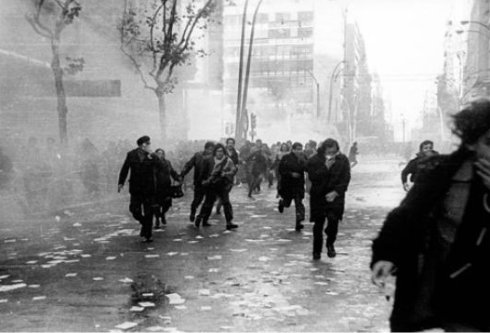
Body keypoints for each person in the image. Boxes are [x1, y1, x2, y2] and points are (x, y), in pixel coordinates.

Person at [371, 99, 490, 332]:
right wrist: (386, 254)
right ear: (473, 143)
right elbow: (406, 215)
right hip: (445, 282)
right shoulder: (441, 172)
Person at [306, 138, 351, 260]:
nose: (332, 154)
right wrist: (325, 167)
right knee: (318, 225)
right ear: (324, 150)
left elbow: (345, 178)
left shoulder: (343, 160)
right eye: (329, 152)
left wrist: (336, 192)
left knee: (333, 220)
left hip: (336, 197)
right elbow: (313, 177)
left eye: (334, 151)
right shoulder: (314, 160)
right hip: (318, 197)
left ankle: (330, 242)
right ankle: (316, 252)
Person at [118, 136, 156, 243]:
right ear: (143, 144)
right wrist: (121, 182)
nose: (149, 145)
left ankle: (148, 234)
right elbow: (125, 168)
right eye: (148, 143)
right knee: (134, 210)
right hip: (136, 188)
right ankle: (145, 224)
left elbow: (160, 165)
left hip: (148, 188)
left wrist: (152, 155)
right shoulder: (131, 154)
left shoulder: (151, 155)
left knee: (149, 211)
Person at [195, 144, 238, 230]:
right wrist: (201, 182)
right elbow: (203, 172)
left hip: (222, 184)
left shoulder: (228, 161)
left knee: (226, 203)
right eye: (218, 151)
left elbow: (233, 170)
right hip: (211, 184)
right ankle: (201, 218)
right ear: (215, 152)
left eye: (221, 151)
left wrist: (226, 174)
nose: (220, 153)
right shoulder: (209, 160)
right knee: (208, 203)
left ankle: (229, 222)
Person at [180, 141, 215, 222]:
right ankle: (193, 211)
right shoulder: (198, 155)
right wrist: (182, 174)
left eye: (212, 150)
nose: (210, 151)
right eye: (209, 149)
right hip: (199, 182)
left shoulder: (214, 157)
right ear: (205, 149)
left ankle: (204, 219)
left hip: (210, 182)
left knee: (210, 201)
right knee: (197, 200)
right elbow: (189, 165)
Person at [278, 142, 306, 231]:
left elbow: (308, 167)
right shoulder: (286, 158)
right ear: (293, 149)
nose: (299, 151)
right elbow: (281, 170)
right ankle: (282, 203)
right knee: (287, 203)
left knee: (299, 203)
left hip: (299, 184)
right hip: (288, 184)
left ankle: (299, 222)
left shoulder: (303, 158)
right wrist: (290, 174)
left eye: (300, 149)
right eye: (297, 149)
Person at [153, 149, 181, 229]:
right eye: (158, 153)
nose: (160, 155)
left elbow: (172, 172)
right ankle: (157, 219)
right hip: (156, 187)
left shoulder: (167, 163)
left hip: (166, 186)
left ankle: (163, 214)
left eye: (161, 153)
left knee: (166, 204)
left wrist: (177, 178)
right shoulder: (153, 163)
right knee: (156, 205)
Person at [216, 138, 240, 215]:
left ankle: (219, 205)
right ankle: (219, 206)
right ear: (226, 144)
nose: (230, 144)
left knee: (226, 191)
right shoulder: (222, 152)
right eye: (229, 143)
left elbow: (236, 163)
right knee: (222, 192)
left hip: (230, 175)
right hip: (221, 174)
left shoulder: (235, 153)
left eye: (232, 143)